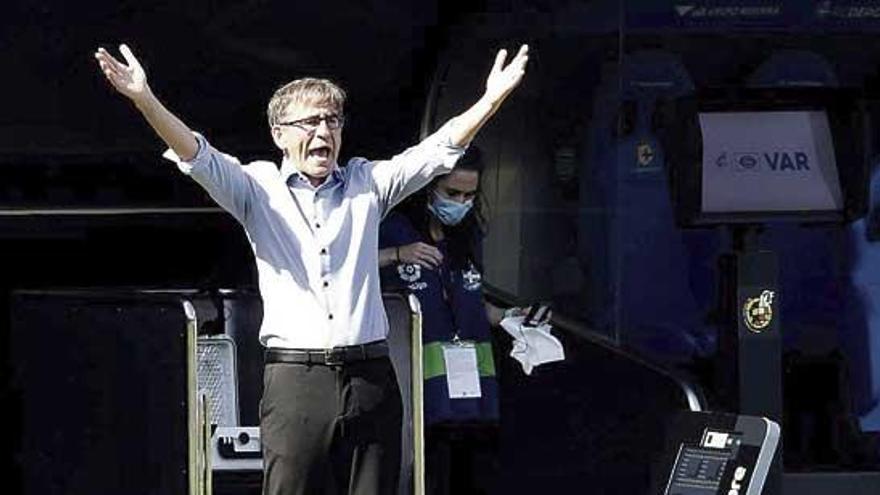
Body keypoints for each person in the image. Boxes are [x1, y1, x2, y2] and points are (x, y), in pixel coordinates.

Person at [94, 41, 528, 495]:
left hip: (371, 376)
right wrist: (145, 99)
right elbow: (197, 156)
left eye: (332, 121)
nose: (323, 131)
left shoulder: (367, 182)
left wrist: (490, 100)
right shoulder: (257, 188)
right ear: (279, 133)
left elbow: (438, 150)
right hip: (296, 379)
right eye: (309, 121)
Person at [377, 145, 517, 495]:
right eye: (452, 193)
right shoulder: (392, 229)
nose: (461, 202)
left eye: (469, 195)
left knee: (467, 478)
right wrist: (397, 254)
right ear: (428, 188)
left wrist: (515, 319)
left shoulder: (467, 236)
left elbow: (473, 303)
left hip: (471, 389)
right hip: (417, 389)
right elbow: (344, 268)